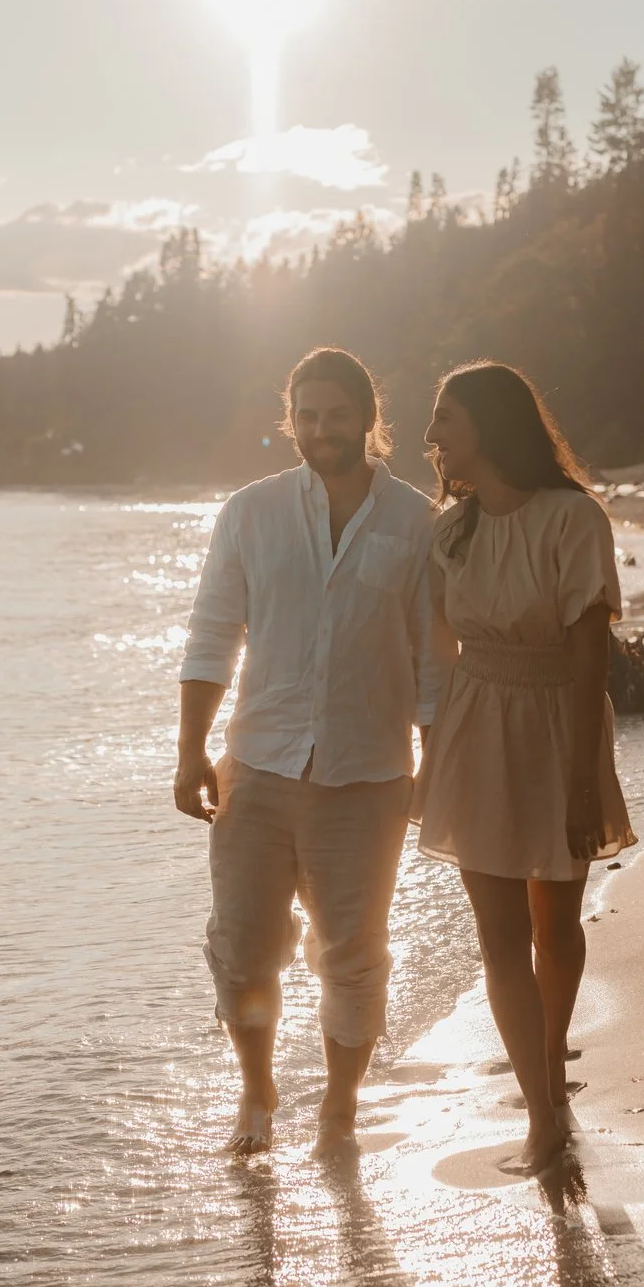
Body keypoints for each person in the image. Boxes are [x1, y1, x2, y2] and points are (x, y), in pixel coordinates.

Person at [176, 348, 443, 1155]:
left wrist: (434, 759)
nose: (320, 430)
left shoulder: (417, 522)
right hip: (255, 767)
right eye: (307, 415)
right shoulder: (248, 513)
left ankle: (339, 1110)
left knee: (354, 956)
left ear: (368, 417)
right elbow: (213, 635)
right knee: (244, 946)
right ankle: (256, 1094)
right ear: (290, 419)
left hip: (367, 777)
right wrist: (190, 750)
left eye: (336, 414)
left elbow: (434, 654)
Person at [416, 361, 635, 1174]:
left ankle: (552, 1062)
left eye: (445, 419)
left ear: (490, 427)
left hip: (556, 721)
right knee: (499, 937)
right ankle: (541, 1110)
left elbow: (590, 662)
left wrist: (583, 778)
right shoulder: (451, 529)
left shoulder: (574, 520)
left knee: (555, 924)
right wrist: (429, 753)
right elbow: (441, 659)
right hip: (476, 725)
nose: (432, 436)